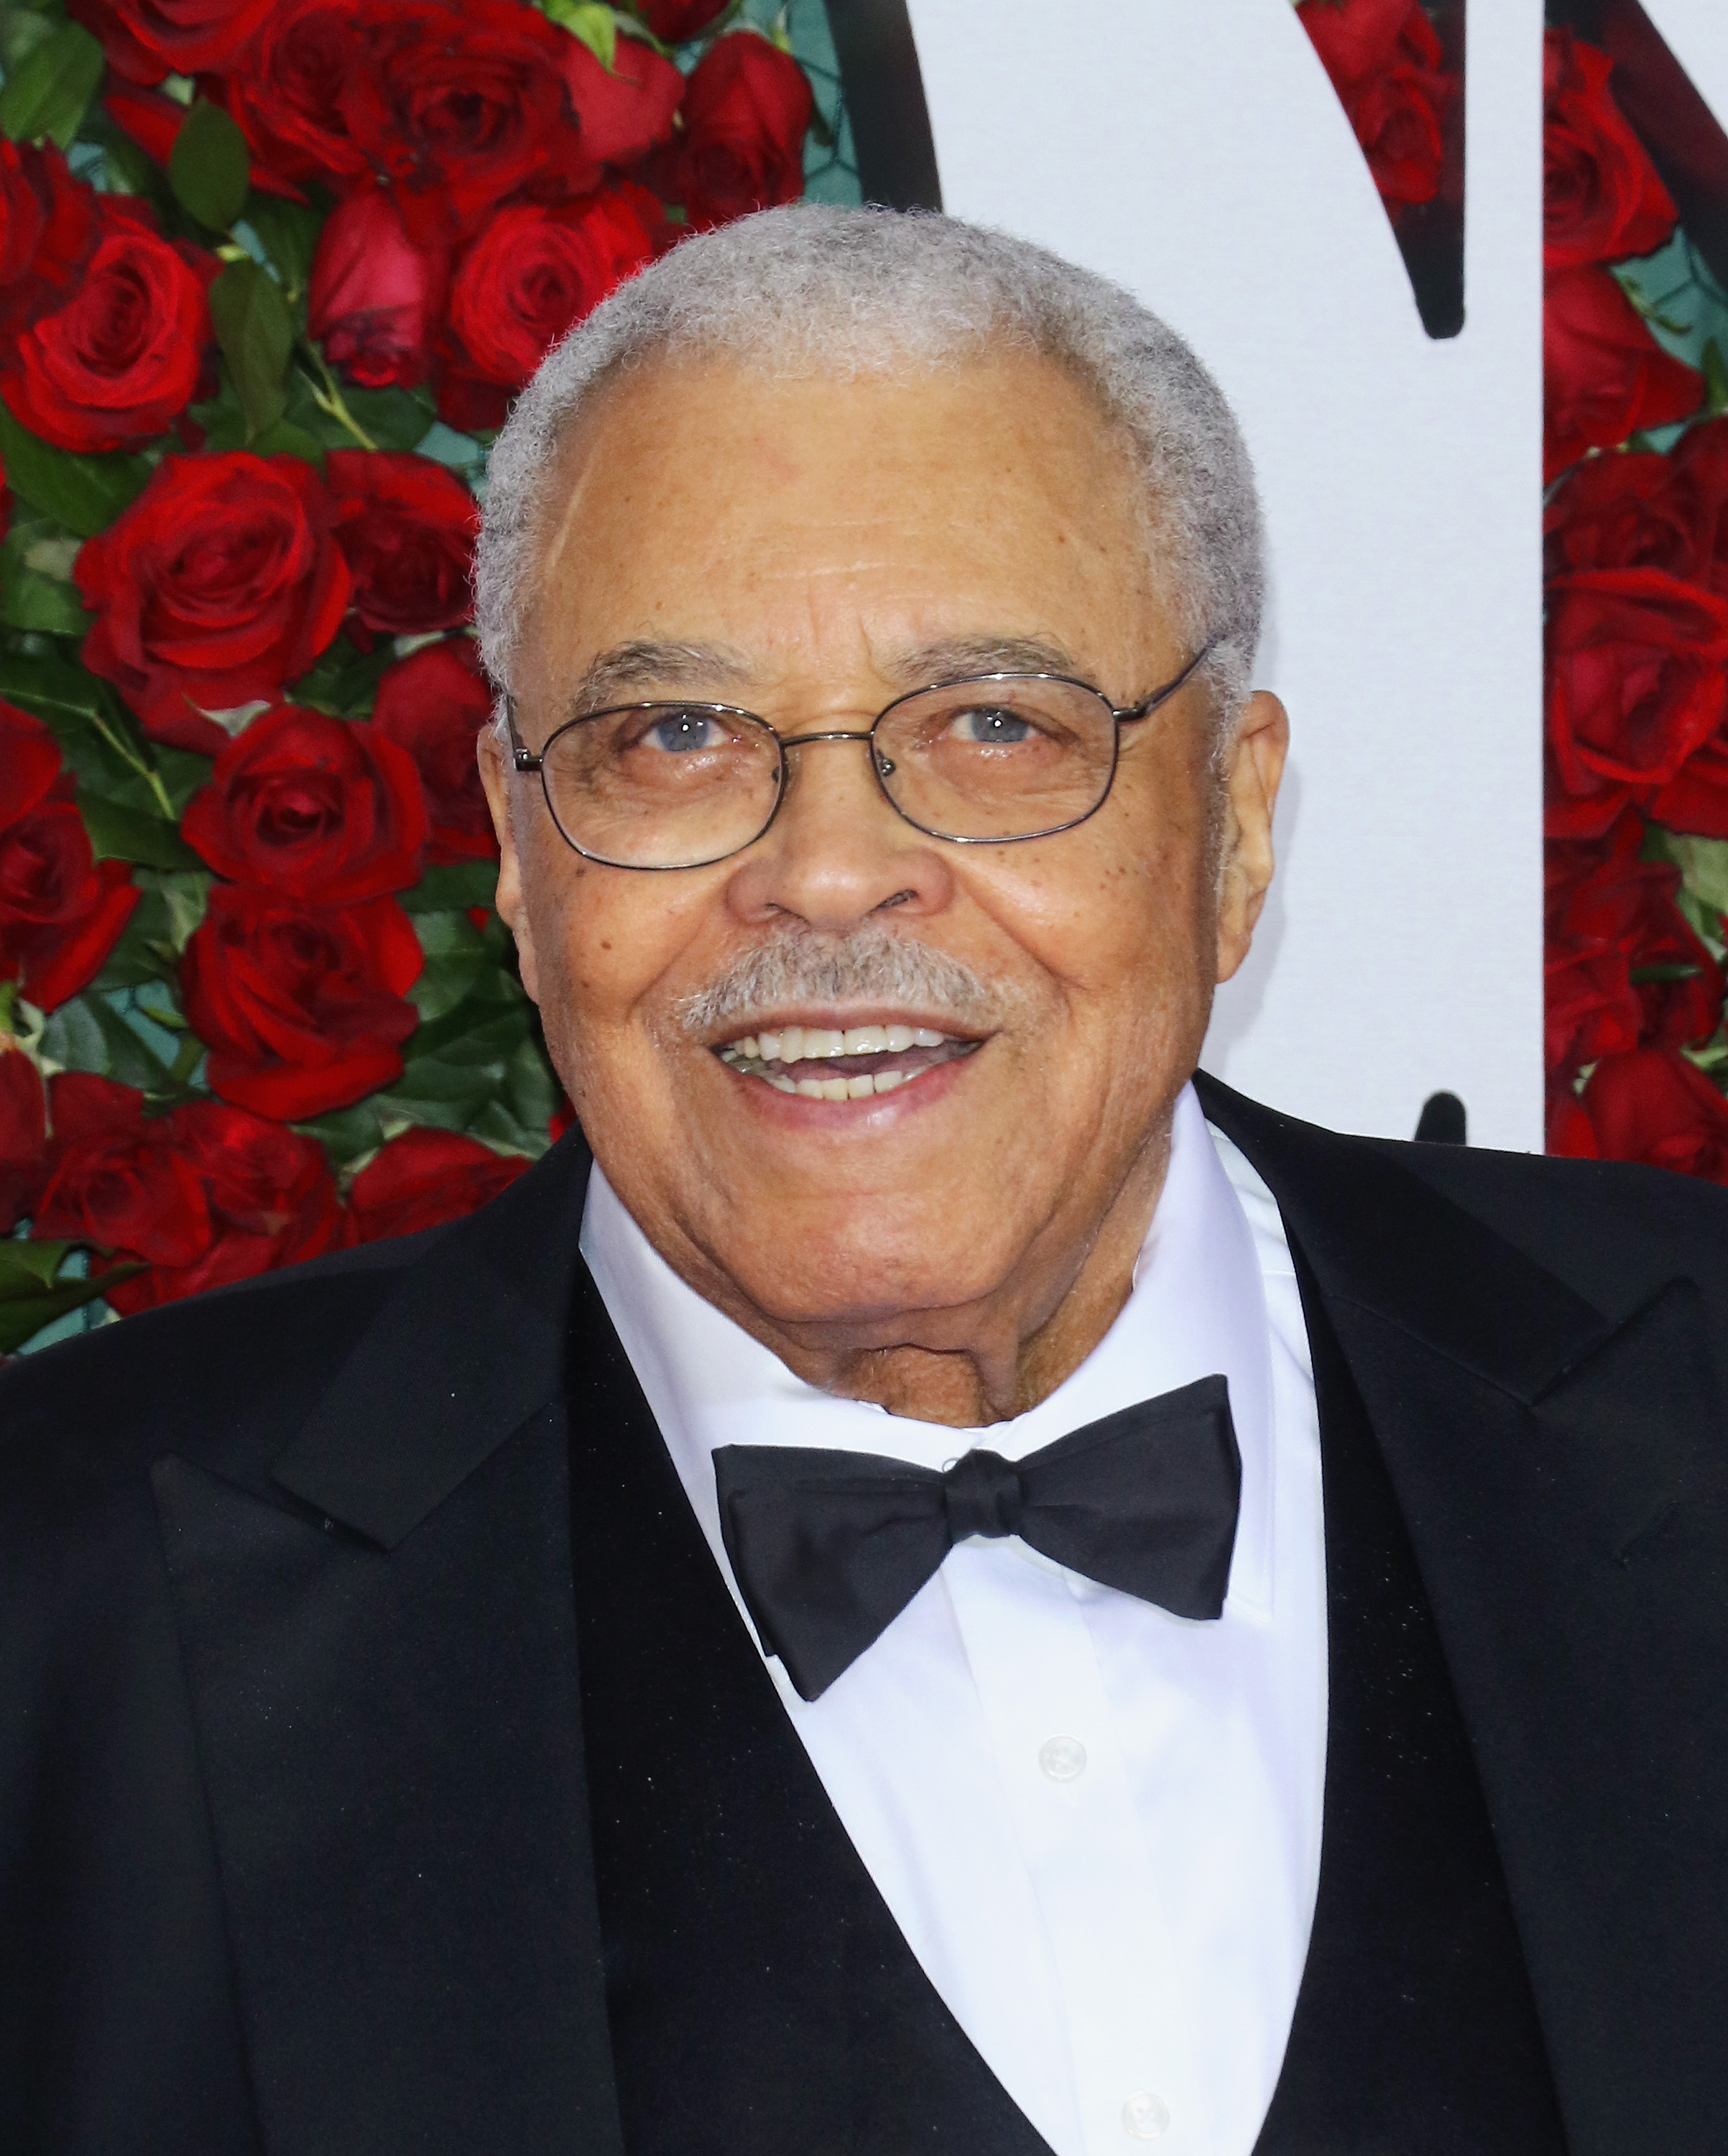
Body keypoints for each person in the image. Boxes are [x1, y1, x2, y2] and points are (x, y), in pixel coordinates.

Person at [2, 206, 1724, 2156]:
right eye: (674, 736)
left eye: (995, 727)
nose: (826, 872)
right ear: (514, 837)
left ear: (1234, 828)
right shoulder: (58, 1623)